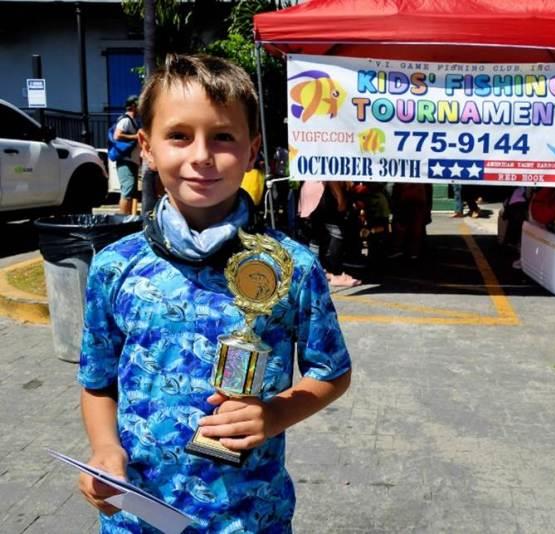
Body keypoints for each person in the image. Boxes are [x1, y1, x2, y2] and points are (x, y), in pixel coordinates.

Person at [77, 54, 352, 533]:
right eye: (179, 135)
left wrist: (276, 413)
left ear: (252, 152)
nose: (202, 155)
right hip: (138, 517)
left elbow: (333, 371)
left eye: (223, 136)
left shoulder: (293, 266)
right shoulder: (115, 266)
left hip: (248, 516)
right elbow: (98, 381)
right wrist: (104, 450)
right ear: (146, 147)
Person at [114, 95, 142, 215]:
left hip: (132, 161)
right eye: (139, 105)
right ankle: (123, 219)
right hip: (125, 160)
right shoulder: (125, 120)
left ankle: (130, 217)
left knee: (132, 191)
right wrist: (135, 137)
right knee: (128, 188)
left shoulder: (134, 122)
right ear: (133, 106)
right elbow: (117, 135)